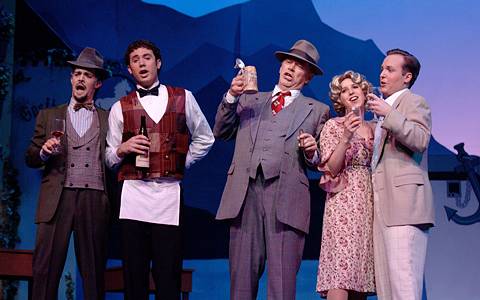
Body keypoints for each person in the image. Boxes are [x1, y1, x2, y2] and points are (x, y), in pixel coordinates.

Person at [214, 39, 330, 299]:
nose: (290, 68)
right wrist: (232, 96)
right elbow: (221, 131)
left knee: (282, 282)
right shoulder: (251, 99)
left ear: (308, 77)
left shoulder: (318, 110)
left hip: (286, 198)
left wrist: (312, 151)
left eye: (299, 66)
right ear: (280, 66)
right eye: (288, 61)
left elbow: (321, 161)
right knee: (241, 280)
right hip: (245, 196)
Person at [105, 39, 214, 300]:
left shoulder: (183, 97)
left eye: (147, 57)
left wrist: (182, 161)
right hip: (133, 198)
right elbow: (109, 157)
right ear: (130, 70)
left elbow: (205, 137)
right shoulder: (119, 107)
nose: (142, 63)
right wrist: (123, 148)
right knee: (134, 276)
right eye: (135, 60)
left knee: (168, 276)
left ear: (158, 63)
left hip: (168, 197)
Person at [25, 47, 110, 300]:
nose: (81, 78)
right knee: (45, 271)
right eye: (77, 74)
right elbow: (29, 156)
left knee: (94, 274)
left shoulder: (108, 118)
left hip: (94, 199)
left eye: (87, 75)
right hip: (57, 200)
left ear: (98, 83)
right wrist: (43, 151)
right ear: (71, 79)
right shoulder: (49, 115)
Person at [367, 49, 434, 300]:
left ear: (406, 77)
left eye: (390, 70)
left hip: (405, 207)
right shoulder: (382, 112)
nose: (382, 74)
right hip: (382, 208)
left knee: (404, 286)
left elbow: (420, 139)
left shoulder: (414, 101)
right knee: (387, 290)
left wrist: (388, 114)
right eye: (382, 69)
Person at [316, 70, 375, 300]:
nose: (350, 93)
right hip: (343, 204)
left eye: (354, 87)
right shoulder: (334, 125)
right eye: (343, 91)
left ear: (364, 91)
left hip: (369, 205)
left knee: (359, 276)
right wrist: (346, 137)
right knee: (340, 274)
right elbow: (330, 168)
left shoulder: (375, 127)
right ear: (338, 100)